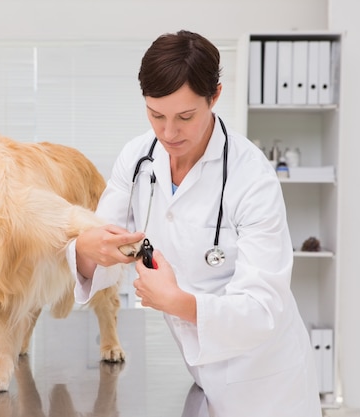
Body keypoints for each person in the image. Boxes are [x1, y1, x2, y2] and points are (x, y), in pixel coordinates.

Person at [67, 30, 322, 416]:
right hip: (202, 369)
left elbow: (262, 310)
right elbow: (105, 247)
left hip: (266, 382)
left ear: (215, 96)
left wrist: (176, 302)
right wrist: (84, 251)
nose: (168, 133)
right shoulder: (137, 159)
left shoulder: (251, 177)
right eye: (156, 115)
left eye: (185, 117)